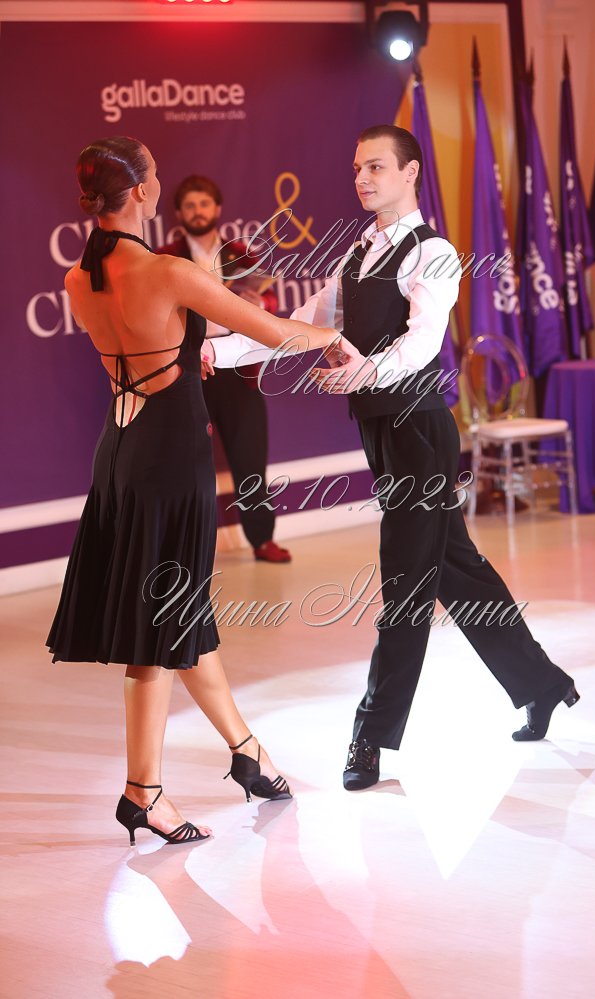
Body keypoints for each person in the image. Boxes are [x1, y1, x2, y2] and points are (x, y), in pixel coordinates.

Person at [45, 137, 343, 843]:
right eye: (153, 172)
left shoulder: (77, 278)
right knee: (162, 625)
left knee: (179, 614)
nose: (159, 179)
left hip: (119, 451)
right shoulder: (167, 270)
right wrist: (333, 334)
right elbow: (272, 330)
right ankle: (143, 791)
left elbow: (150, 353)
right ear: (143, 191)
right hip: (170, 459)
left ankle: (248, 754)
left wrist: (188, 351)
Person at [293, 125, 580, 789]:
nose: (362, 179)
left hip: (419, 432)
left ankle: (371, 734)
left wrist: (366, 371)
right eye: (357, 168)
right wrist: (217, 348)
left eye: (375, 167)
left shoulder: (435, 252)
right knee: (457, 568)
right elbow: (302, 322)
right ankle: (543, 683)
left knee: (406, 584)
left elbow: (423, 342)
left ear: (410, 172)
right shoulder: (357, 253)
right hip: (382, 430)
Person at [156, 176, 291, 564]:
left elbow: (269, 300)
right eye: (190, 205)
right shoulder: (166, 258)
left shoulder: (240, 253)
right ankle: (182, 548)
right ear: (179, 213)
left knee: (251, 458)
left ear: (216, 209)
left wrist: (257, 302)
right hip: (188, 367)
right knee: (184, 461)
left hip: (238, 368)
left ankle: (262, 539)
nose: (198, 211)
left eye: (204, 204)